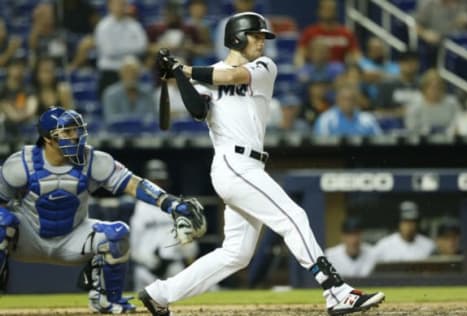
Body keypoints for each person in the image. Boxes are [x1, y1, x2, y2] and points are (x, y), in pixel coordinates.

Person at [139, 12, 385, 316]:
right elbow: (198, 112)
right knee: (293, 216)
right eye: (256, 36)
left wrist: (182, 69)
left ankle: (160, 293)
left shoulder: (264, 67)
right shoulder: (207, 72)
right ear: (238, 37)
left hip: (249, 166)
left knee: (236, 254)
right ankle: (336, 291)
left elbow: (231, 76)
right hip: (232, 163)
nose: (262, 42)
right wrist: (176, 75)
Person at [0, 107, 205, 313]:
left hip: (73, 237)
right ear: (48, 139)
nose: (75, 136)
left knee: (117, 234)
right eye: (67, 132)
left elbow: (133, 184)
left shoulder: (93, 159)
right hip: (29, 237)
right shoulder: (20, 164)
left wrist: (170, 203)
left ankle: (106, 300)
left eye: (76, 130)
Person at [130, 159, 199, 291]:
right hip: (146, 267)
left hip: (173, 265)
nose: (158, 185)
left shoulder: (174, 205)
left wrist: (189, 248)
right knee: (142, 305)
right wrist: (144, 259)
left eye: (160, 181)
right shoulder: (137, 206)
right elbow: (132, 245)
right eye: (154, 182)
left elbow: (186, 237)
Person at [94, 0, 148, 97]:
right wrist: (131, 50)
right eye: (118, 4)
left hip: (133, 73)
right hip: (111, 73)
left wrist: (119, 49)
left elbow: (142, 47)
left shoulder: (134, 25)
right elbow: (109, 51)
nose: (121, 7)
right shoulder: (103, 26)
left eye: (123, 4)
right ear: (110, 6)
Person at [295, 0, 360, 67]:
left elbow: (356, 56)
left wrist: (353, 65)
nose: (329, 12)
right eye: (326, 8)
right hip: (315, 73)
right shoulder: (310, 32)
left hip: (340, 73)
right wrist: (301, 70)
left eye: (332, 9)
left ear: (336, 11)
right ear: (319, 11)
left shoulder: (346, 33)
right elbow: (300, 55)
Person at [102, 55, 156, 124]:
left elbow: (152, 118)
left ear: (139, 74)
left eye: (134, 72)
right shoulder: (110, 94)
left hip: (144, 133)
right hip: (118, 133)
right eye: (127, 72)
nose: (130, 75)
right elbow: (111, 121)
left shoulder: (148, 92)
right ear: (120, 73)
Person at [405, 69, 461, 135]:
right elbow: (411, 127)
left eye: (438, 87)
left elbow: (458, 122)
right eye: (432, 87)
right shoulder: (415, 105)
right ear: (424, 88)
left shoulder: (452, 103)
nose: (435, 91)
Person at [313, 85, 382, 136]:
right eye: (344, 99)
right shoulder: (326, 119)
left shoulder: (367, 119)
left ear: (356, 101)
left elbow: (378, 141)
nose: (347, 102)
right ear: (337, 100)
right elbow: (322, 144)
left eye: (350, 99)